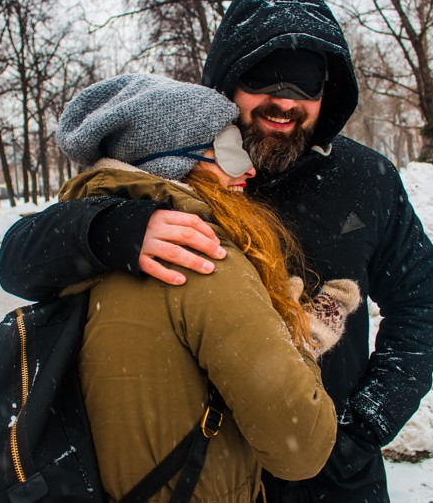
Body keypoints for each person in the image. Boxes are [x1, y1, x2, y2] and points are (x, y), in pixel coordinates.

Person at [0, 0, 433, 502]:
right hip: (203, 475)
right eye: (261, 78)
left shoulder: (365, 178)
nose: (284, 101)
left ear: (329, 92)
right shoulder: (189, 169)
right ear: (227, 82)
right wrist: (110, 231)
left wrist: (364, 425)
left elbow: (423, 303)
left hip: (332, 478)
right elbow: (16, 262)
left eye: (306, 83)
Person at [47, 73, 359, 500]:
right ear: (172, 161)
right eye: (230, 151)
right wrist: (298, 342)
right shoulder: (203, 262)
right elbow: (301, 449)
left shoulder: (86, 251)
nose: (249, 167)